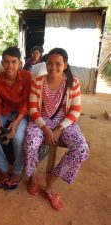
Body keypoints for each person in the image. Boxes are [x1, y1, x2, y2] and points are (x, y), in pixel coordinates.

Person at [24, 48, 89, 211]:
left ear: (65, 65)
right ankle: (32, 178)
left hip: (65, 123)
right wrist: (46, 129)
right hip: (41, 122)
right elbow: (32, 109)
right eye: (50, 63)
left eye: (58, 63)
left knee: (81, 149)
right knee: (30, 143)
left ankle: (50, 182)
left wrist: (59, 128)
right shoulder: (37, 82)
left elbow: (75, 110)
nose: (53, 67)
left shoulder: (73, 82)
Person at [0, 47, 31, 191]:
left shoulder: (27, 77)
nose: (9, 66)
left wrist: (16, 122)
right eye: (6, 62)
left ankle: (17, 172)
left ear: (20, 63)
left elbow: (27, 102)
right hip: (3, 112)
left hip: (20, 114)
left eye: (13, 62)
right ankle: (3, 170)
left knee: (18, 137)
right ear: (2, 63)